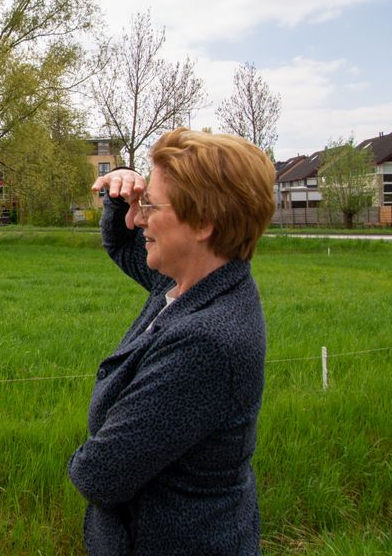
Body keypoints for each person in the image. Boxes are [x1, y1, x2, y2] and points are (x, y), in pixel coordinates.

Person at [67, 128, 277, 555]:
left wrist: (81, 456)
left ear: (202, 222)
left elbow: (99, 473)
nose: (138, 218)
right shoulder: (199, 283)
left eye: (152, 206)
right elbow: (126, 245)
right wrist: (121, 188)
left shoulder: (206, 342)